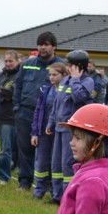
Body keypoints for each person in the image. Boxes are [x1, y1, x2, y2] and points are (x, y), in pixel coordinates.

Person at [13, 32, 65, 190]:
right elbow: (18, 86)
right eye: (40, 44)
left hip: (49, 116)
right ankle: (25, 181)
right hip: (25, 112)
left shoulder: (61, 66)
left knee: (49, 151)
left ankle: (48, 184)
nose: (43, 47)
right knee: (25, 149)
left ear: (54, 46)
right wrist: (17, 107)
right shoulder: (27, 64)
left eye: (46, 44)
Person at [45, 50, 94, 205]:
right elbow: (57, 104)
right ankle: (57, 196)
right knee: (56, 164)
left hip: (72, 129)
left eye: (70, 64)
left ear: (79, 66)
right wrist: (50, 122)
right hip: (59, 127)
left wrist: (75, 79)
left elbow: (79, 97)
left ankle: (69, 196)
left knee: (68, 164)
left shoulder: (87, 81)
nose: (67, 67)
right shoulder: (65, 80)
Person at [31, 63, 68, 200]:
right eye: (50, 74)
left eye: (55, 75)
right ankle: (39, 190)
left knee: (56, 162)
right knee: (41, 161)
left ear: (64, 75)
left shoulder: (66, 90)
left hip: (60, 131)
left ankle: (56, 191)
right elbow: (38, 112)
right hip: (43, 131)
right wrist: (34, 132)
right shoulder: (45, 91)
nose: (51, 78)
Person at [0, 50, 20, 184]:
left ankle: (4, 176)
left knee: (5, 149)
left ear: (17, 61)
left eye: (10, 61)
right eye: (6, 61)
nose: (8, 63)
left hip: (9, 117)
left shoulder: (19, 76)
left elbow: (11, 93)